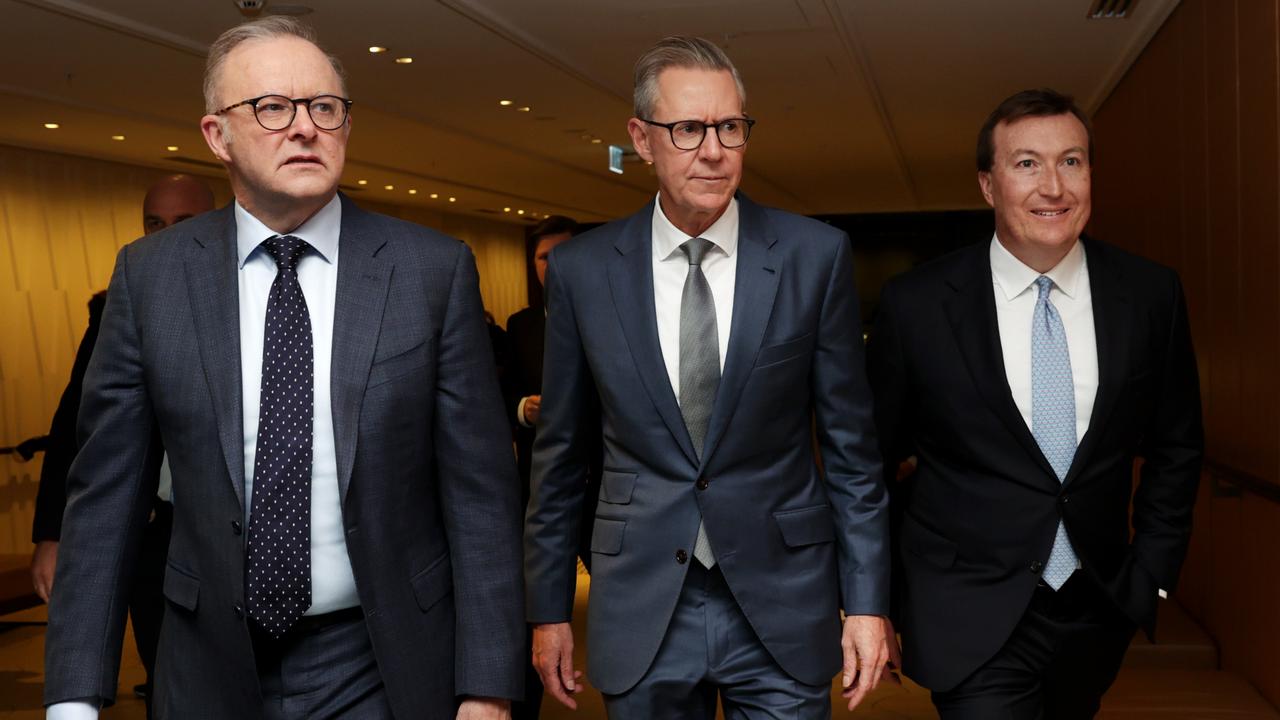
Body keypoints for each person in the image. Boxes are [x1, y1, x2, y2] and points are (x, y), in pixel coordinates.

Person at [43, 16, 523, 720]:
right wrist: (73, 700)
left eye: (324, 108)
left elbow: (480, 495)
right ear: (217, 135)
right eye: (272, 107)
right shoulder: (151, 278)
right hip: (206, 661)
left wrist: (487, 688)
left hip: (381, 659)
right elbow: (106, 499)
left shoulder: (429, 271)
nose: (305, 128)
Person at [524, 36, 896, 718]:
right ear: (642, 138)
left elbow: (852, 451)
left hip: (783, 597)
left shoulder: (813, 257)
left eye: (730, 126)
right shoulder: (584, 272)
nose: (714, 149)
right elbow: (561, 456)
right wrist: (549, 609)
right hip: (641, 601)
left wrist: (868, 602)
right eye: (688, 128)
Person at [867, 88, 1203, 719]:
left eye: (1071, 162)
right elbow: (869, 464)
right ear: (988, 185)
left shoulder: (1150, 295)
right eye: (1027, 164)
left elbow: (1176, 445)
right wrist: (874, 598)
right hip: (964, 603)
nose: (1054, 186)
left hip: (1097, 607)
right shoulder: (917, 305)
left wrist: (1152, 572)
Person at [30, 173, 215, 716]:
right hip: (154, 533)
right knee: (167, 679)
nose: (164, 236)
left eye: (183, 223)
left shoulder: (255, 299)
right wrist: (51, 532)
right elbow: (76, 427)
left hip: (236, 532)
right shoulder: (120, 305)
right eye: (153, 224)